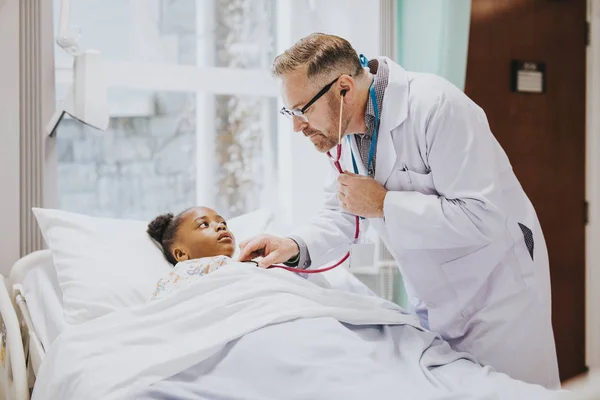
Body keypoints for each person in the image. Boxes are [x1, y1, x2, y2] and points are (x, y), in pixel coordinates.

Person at [238, 33, 560, 388]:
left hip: (496, 293)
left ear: (344, 88)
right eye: (290, 111)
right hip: (435, 292)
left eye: (302, 110)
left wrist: (383, 204)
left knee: (517, 393)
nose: (297, 125)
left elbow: (480, 216)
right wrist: (295, 245)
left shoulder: (436, 107)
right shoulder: (347, 131)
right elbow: (347, 206)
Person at [146, 206, 240, 300]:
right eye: (203, 224)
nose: (221, 226)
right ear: (181, 254)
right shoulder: (179, 277)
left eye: (223, 223)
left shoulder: (243, 261)